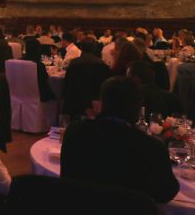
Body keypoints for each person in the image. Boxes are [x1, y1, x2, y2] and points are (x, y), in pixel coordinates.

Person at [61, 76, 179, 204]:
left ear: (102, 103)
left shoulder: (75, 132)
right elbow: (166, 193)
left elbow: (67, 178)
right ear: (138, 109)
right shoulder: (152, 148)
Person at [62, 39, 112, 118]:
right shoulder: (101, 63)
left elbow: (68, 83)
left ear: (81, 48)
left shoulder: (74, 62)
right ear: (94, 48)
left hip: (76, 98)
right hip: (94, 97)